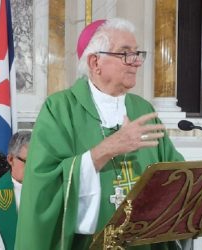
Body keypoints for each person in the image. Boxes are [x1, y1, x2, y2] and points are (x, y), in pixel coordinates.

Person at [15, 18, 185, 250]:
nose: (136, 62)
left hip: (142, 243)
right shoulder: (60, 109)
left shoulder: (142, 109)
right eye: (125, 53)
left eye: (137, 54)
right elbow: (44, 184)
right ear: (95, 62)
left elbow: (173, 169)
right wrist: (107, 149)